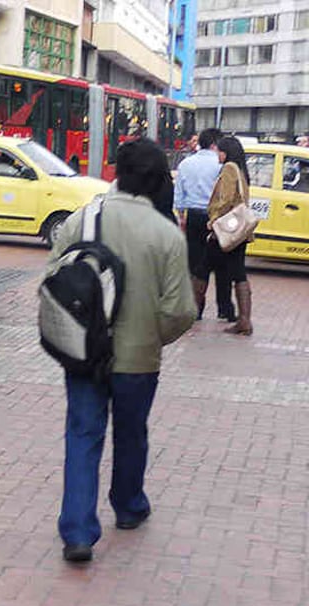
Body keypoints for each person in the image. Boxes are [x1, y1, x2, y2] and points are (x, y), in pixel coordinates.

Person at [49, 138, 196, 563]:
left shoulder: (82, 220)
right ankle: (129, 506)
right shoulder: (167, 236)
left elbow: (54, 277)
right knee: (131, 433)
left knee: (82, 435)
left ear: (118, 173)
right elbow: (180, 311)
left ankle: (78, 532)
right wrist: (152, 336)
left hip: (84, 353)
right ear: (158, 183)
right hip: (139, 358)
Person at [173, 128, 233, 321]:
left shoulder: (186, 163)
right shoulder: (220, 165)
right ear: (214, 144)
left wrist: (181, 215)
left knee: (195, 263)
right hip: (215, 218)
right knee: (222, 263)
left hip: (193, 216)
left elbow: (179, 193)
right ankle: (224, 307)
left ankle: (196, 307)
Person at [208, 135, 256, 336]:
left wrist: (214, 219)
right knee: (238, 271)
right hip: (240, 231)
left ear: (226, 152)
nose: (217, 155)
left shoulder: (229, 168)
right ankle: (244, 320)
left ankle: (243, 321)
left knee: (203, 267)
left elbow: (225, 199)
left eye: (219, 151)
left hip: (228, 228)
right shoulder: (241, 169)